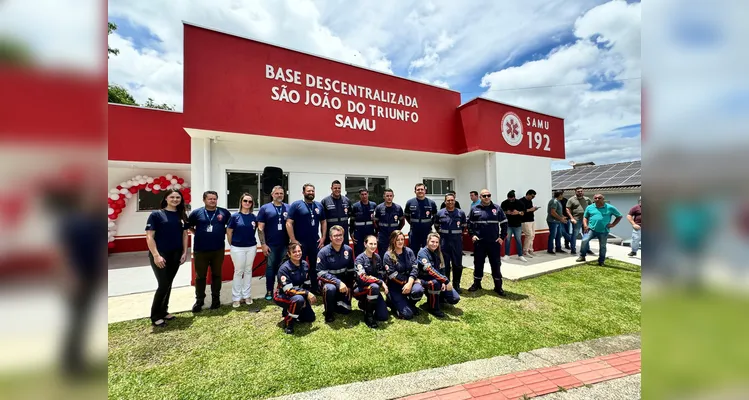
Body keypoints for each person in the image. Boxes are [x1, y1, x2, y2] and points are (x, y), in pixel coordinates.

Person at [145, 189, 189, 327]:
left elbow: (185, 234)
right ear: (166, 198)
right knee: (163, 284)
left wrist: (184, 252)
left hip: (175, 254)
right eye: (172, 197)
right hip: (160, 254)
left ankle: (164, 311)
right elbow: (149, 236)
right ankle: (155, 315)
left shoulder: (181, 215)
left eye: (178, 197)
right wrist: (156, 255)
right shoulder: (156, 215)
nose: (175, 199)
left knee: (168, 283)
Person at [188, 191, 231, 312]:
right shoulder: (197, 213)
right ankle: (199, 300)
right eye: (210, 199)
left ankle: (216, 299)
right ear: (204, 200)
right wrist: (198, 233)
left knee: (216, 275)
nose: (212, 201)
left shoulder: (224, 213)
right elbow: (189, 225)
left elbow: (230, 226)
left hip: (218, 249)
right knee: (200, 276)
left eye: (214, 199)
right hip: (200, 250)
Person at [287, 183, 327, 294]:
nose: (311, 193)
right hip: (300, 243)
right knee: (300, 266)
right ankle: (300, 288)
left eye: (312, 191)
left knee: (315, 266)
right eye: (308, 191)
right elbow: (289, 223)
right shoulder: (296, 205)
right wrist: (293, 240)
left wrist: (323, 237)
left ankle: (314, 288)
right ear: (303, 192)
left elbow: (323, 222)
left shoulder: (319, 206)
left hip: (315, 242)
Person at [467, 189, 508, 296]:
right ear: (480, 197)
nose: (486, 197)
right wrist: (472, 235)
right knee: (478, 263)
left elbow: (504, 223)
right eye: (484, 196)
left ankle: (498, 287)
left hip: (493, 243)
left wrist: (502, 237)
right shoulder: (474, 209)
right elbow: (469, 224)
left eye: (488, 195)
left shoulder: (497, 208)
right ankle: (477, 284)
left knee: (495, 264)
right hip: (479, 243)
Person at [273, 243, 316, 334]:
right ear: (289, 254)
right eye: (294, 252)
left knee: (310, 318)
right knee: (298, 300)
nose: (297, 253)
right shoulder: (284, 268)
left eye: (299, 251)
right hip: (282, 295)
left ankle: (288, 311)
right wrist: (306, 294)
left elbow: (307, 283)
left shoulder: (304, 264)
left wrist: (306, 296)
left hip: (299, 294)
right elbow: (288, 290)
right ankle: (289, 323)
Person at [257, 186, 290, 300]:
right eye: (277, 193)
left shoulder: (288, 208)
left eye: (281, 193)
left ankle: (281, 290)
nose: (279, 195)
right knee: (270, 269)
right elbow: (260, 228)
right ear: (272, 195)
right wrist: (263, 244)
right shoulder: (265, 208)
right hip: (270, 245)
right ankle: (269, 291)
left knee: (284, 269)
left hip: (285, 245)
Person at [316, 225, 355, 322]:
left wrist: (349, 286)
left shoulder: (348, 250)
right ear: (330, 238)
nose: (338, 238)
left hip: (343, 284)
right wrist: (337, 282)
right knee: (330, 289)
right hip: (329, 283)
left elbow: (351, 270)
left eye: (340, 235)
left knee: (346, 311)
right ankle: (328, 313)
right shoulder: (323, 252)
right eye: (335, 236)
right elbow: (320, 273)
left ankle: (336, 302)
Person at [383, 230, 424, 320]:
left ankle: (410, 304)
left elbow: (415, 267)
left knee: (418, 290)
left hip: (409, 282)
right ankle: (391, 302)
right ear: (393, 240)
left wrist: (410, 282)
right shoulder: (388, 255)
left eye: (402, 239)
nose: (401, 241)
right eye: (398, 240)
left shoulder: (409, 251)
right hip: (395, 287)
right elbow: (392, 275)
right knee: (407, 315)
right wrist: (407, 282)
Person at [227, 193, 258, 310]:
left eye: (250, 202)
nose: (247, 203)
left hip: (251, 247)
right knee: (239, 271)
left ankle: (247, 295)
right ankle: (236, 297)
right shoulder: (235, 217)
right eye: (245, 201)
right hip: (237, 248)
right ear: (241, 202)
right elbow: (229, 232)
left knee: (248, 270)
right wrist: (233, 244)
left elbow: (254, 231)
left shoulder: (254, 217)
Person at [417, 233, 460, 317]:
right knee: (435, 283)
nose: (435, 244)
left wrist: (443, 282)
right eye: (432, 241)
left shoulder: (438, 252)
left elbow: (442, 269)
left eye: (437, 242)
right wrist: (445, 281)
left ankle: (437, 298)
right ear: (427, 241)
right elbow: (430, 270)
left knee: (455, 299)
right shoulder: (422, 253)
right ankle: (433, 308)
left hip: (438, 279)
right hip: (425, 280)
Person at [352, 236, 390, 328]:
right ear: (365, 244)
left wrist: (381, 280)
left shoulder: (377, 257)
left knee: (383, 316)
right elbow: (363, 278)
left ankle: (365, 304)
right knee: (374, 286)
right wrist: (380, 282)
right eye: (370, 244)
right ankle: (368, 316)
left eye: (375, 244)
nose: (373, 246)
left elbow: (380, 273)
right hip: (360, 288)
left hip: (374, 289)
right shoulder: (360, 259)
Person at [576, 193, 623, 266]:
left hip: (603, 230)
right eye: (595, 198)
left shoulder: (610, 208)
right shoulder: (589, 207)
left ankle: (601, 261)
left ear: (603, 199)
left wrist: (613, 224)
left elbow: (619, 216)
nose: (597, 199)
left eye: (599, 198)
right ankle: (582, 256)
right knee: (584, 240)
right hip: (591, 229)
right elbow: (585, 217)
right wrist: (585, 225)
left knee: (602, 246)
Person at [434, 193, 467, 293]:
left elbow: (463, 226)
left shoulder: (461, 213)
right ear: (445, 202)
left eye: (452, 200)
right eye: (448, 200)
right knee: (445, 265)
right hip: (444, 242)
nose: (450, 202)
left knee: (457, 264)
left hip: (457, 242)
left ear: (455, 201)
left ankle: (457, 284)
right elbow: (436, 225)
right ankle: (447, 283)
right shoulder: (440, 213)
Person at [405, 183, 438, 254]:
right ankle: (414, 265)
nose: (420, 191)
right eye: (418, 190)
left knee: (428, 251)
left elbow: (435, 217)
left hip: (426, 231)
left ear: (425, 191)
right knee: (413, 251)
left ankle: (428, 265)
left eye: (422, 189)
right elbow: (407, 216)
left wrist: (429, 224)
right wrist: (412, 223)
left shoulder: (431, 203)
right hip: (414, 231)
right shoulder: (410, 202)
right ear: (415, 191)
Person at [373, 188, 405, 256]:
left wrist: (397, 231)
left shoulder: (398, 208)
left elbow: (402, 222)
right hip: (383, 236)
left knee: (395, 252)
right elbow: (375, 222)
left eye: (391, 196)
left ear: (393, 196)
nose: (389, 198)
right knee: (382, 253)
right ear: (384, 196)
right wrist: (379, 231)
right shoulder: (379, 208)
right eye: (387, 196)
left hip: (394, 236)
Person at [321, 180, 351, 245]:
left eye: (339, 188)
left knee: (344, 252)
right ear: (331, 188)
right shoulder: (325, 201)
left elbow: (349, 215)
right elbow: (322, 221)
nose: (337, 190)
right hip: (331, 234)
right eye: (335, 188)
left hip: (343, 234)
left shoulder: (346, 201)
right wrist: (323, 236)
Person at [566, 187, 594, 256]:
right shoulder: (571, 200)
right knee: (575, 234)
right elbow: (567, 209)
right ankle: (573, 249)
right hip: (576, 219)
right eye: (578, 191)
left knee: (586, 234)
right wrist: (571, 218)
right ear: (575, 192)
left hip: (586, 219)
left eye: (581, 191)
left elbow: (592, 207)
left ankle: (587, 249)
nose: (580, 192)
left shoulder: (587, 199)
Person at [500, 190, 527, 262]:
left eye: (512, 199)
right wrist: (506, 212)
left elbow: (524, 213)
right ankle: (507, 255)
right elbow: (500, 212)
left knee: (518, 240)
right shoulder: (504, 203)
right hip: (508, 224)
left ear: (514, 197)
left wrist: (518, 212)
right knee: (508, 240)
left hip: (517, 224)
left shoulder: (520, 203)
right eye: (509, 199)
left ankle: (520, 255)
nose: (511, 200)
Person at [349, 188, 377, 255]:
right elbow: (352, 221)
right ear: (360, 196)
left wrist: (376, 232)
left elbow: (376, 221)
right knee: (358, 251)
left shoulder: (373, 205)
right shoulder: (355, 206)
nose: (364, 196)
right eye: (362, 194)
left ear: (368, 194)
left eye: (365, 194)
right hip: (358, 232)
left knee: (370, 250)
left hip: (369, 231)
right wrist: (351, 233)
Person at [547, 190, 573, 254]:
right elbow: (553, 212)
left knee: (559, 235)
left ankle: (558, 248)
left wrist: (563, 217)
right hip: (553, 221)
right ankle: (550, 249)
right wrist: (561, 219)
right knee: (553, 235)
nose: (563, 196)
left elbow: (558, 212)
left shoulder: (558, 201)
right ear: (560, 195)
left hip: (557, 221)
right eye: (562, 194)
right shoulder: (554, 201)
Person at [519, 189, 540, 258]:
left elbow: (529, 210)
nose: (533, 198)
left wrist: (534, 210)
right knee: (529, 235)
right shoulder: (521, 201)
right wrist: (531, 209)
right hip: (525, 221)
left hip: (531, 220)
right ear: (528, 194)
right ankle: (525, 251)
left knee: (532, 235)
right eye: (532, 196)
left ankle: (531, 250)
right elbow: (521, 211)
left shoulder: (530, 201)